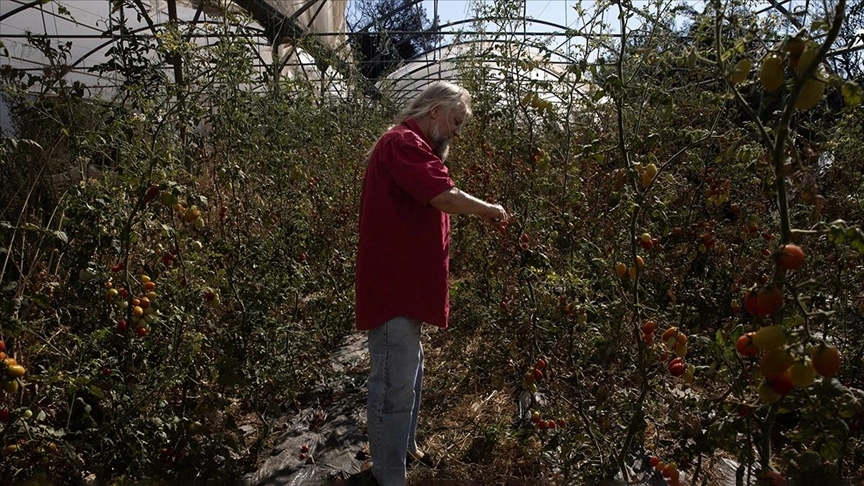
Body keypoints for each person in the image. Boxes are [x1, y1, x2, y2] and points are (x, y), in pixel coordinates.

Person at [355, 81, 509, 486]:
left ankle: (404, 449)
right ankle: (388, 476)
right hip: (395, 289)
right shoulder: (401, 142)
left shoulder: (415, 147)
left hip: (408, 288)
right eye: (456, 121)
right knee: (393, 383)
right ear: (435, 110)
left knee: (409, 373)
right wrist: (490, 210)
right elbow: (443, 196)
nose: (457, 132)